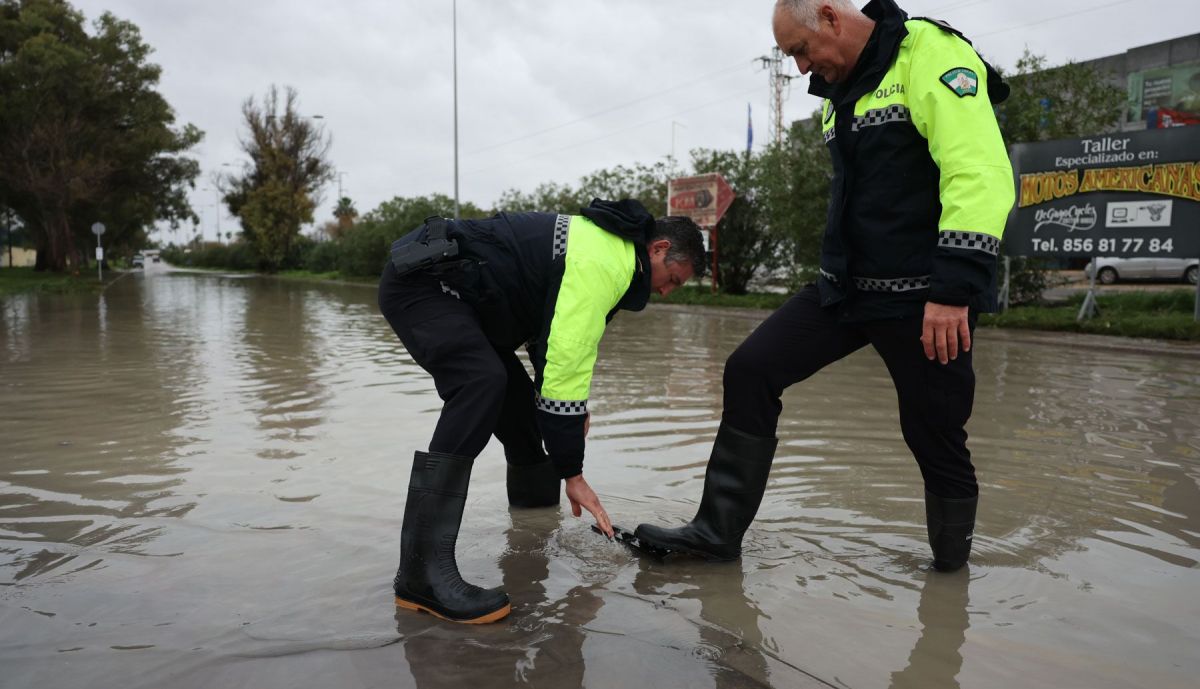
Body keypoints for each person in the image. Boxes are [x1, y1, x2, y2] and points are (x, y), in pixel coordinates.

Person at [636, 0, 1014, 573]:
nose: (800, 67)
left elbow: (979, 172)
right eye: (791, 56)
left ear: (832, 19)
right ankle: (715, 533)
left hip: (923, 297)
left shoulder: (932, 53)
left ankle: (949, 580)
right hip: (844, 292)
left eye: (800, 51)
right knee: (751, 368)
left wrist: (954, 290)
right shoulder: (839, 91)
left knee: (934, 433)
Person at [379, 199, 705, 624]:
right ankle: (420, 576)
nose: (665, 291)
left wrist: (569, 413)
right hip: (423, 284)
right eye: (673, 280)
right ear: (659, 249)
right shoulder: (607, 263)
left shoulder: (610, 253)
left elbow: (550, 339)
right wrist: (573, 472)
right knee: (481, 383)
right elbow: (567, 360)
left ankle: (531, 536)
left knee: (523, 419)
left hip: (468, 303)